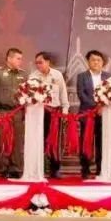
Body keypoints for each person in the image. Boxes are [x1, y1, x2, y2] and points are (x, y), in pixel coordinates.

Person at [0, 48, 28, 178]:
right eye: (18, 58)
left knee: (17, 141)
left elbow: (26, 94)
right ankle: (4, 168)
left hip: (17, 112)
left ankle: (16, 168)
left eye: (21, 59)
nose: (20, 61)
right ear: (9, 58)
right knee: (4, 140)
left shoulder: (23, 74)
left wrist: (24, 113)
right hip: (2, 111)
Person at [30, 51, 69, 179]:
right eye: (36, 63)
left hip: (55, 113)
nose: (38, 65)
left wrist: (65, 110)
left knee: (55, 142)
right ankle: (38, 169)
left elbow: (63, 93)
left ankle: (55, 169)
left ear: (48, 62)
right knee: (39, 141)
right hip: (39, 113)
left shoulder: (57, 75)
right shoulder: (33, 76)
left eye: (40, 62)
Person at [75, 50, 111, 179]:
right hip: (87, 114)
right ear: (88, 62)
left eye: (98, 60)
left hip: (104, 115)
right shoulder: (82, 76)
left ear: (102, 62)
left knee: (102, 142)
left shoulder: (108, 76)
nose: (96, 62)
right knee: (86, 142)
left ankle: (101, 169)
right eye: (93, 60)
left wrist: (102, 107)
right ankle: (85, 169)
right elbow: (81, 94)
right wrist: (96, 107)